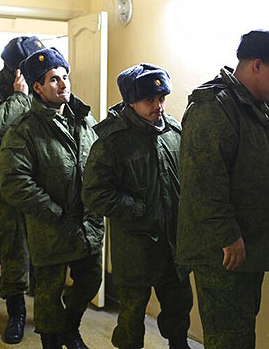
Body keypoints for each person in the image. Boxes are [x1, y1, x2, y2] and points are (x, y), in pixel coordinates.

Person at [177, 30, 269, 349]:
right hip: (221, 250)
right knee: (228, 336)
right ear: (257, 65)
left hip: (247, 247)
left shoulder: (257, 108)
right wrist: (228, 236)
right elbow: (203, 182)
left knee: (240, 328)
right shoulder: (214, 107)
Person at [0, 48, 104, 349]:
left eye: (65, 77)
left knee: (90, 281)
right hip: (51, 226)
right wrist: (54, 213)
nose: (63, 84)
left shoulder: (84, 120)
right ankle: (51, 341)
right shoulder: (23, 130)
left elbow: (99, 162)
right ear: (37, 87)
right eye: (54, 79)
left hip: (88, 223)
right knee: (48, 292)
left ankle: (70, 328)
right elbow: (14, 182)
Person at [82, 64, 193, 349]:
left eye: (162, 98)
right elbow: (93, 193)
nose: (158, 106)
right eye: (149, 100)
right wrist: (136, 208)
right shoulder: (113, 141)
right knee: (131, 317)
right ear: (131, 102)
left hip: (173, 245)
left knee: (179, 308)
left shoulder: (173, 131)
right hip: (136, 248)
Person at [0, 36, 44, 344]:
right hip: (10, 188)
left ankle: (47, 310)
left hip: (43, 186)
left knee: (46, 251)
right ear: (15, 69)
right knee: (13, 252)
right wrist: (18, 97)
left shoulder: (41, 84)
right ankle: (16, 313)